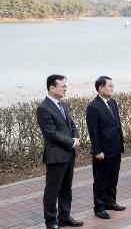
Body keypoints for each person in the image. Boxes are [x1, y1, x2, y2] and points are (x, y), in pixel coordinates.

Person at [36, 74, 83, 229]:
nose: (65, 89)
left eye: (66, 86)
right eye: (63, 86)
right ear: (52, 87)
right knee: (52, 190)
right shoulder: (43, 108)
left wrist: (75, 137)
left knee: (66, 189)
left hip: (69, 154)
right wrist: (71, 142)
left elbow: (71, 124)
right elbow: (51, 133)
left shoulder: (62, 105)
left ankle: (64, 217)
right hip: (56, 155)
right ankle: (51, 222)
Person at [86, 76, 126, 219]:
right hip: (103, 151)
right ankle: (99, 207)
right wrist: (98, 151)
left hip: (115, 147)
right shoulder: (93, 107)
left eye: (112, 85)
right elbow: (93, 131)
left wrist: (121, 143)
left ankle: (110, 201)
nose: (112, 88)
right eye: (109, 85)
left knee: (113, 177)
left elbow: (117, 125)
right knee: (101, 179)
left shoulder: (112, 102)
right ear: (100, 88)